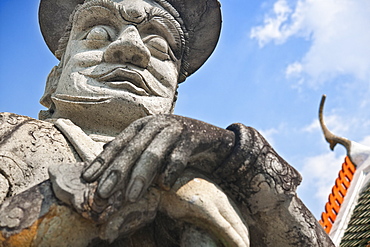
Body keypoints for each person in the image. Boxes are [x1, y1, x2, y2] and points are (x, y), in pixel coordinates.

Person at [0, 0, 334, 246]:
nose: (131, 49)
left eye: (159, 46)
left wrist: (238, 157)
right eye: (99, 33)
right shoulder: (13, 136)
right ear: (55, 76)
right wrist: (106, 196)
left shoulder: (210, 172)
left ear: (173, 95)